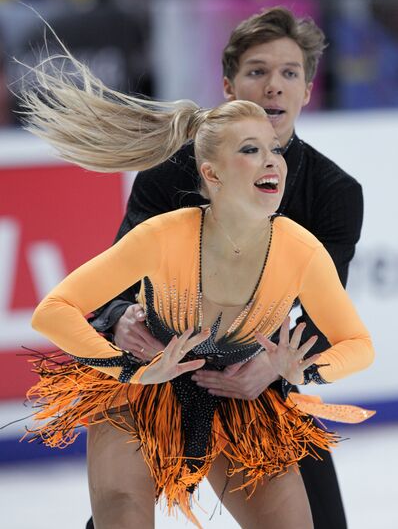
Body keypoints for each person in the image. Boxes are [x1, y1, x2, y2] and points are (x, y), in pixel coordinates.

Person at [23, 44, 374, 529]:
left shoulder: (301, 250)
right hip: (142, 395)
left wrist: (296, 371)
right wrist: (129, 371)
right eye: (251, 150)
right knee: (123, 518)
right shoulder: (164, 234)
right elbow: (54, 310)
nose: (273, 160)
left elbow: (359, 345)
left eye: (275, 149)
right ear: (211, 173)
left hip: (239, 402)